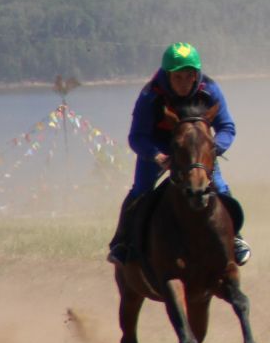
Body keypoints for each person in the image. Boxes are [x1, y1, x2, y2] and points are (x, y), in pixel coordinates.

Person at [107, 41, 249, 266]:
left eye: (189, 75)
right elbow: (136, 137)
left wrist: (211, 150)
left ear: (196, 74)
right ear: (167, 75)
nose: (184, 83)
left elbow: (227, 128)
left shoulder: (210, 90)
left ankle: (236, 239)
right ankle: (122, 241)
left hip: (196, 149)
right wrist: (156, 156)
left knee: (220, 187)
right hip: (159, 147)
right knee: (141, 190)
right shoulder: (150, 95)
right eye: (177, 77)